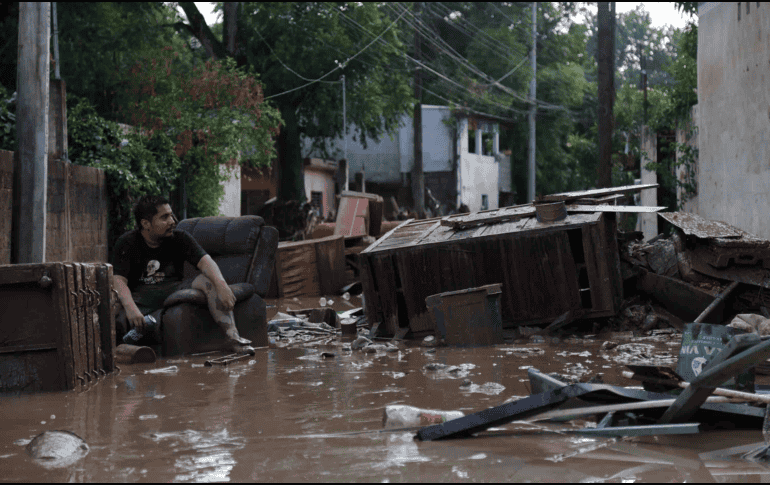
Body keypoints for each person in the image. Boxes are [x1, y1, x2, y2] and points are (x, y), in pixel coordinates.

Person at [112, 195, 252, 352]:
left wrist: (222, 285)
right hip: (140, 297)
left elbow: (206, 262)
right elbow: (118, 280)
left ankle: (233, 338)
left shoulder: (180, 238)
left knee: (208, 280)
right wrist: (130, 308)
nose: (172, 221)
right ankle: (109, 351)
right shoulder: (127, 243)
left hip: (173, 290)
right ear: (146, 224)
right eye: (164, 217)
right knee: (112, 299)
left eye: (171, 214)